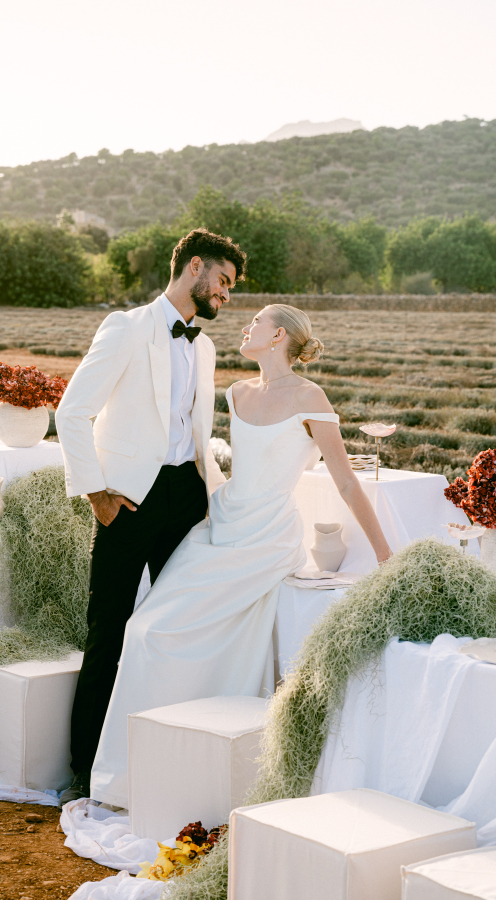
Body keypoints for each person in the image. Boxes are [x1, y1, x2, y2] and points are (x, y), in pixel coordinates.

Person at [90, 303, 393, 809]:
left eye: (256, 322)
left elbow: (344, 479)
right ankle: (133, 778)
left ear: (278, 337)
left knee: (157, 633)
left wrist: (386, 555)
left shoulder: (310, 396)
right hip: (219, 523)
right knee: (145, 629)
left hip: (266, 538)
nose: (246, 326)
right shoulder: (235, 392)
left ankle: (183, 775)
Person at [55, 228, 246, 805]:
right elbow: (71, 412)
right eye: (225, 281)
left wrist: (210, 495)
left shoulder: (205, 347)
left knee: (173, 636)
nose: (227, 295)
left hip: (186, 500)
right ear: (194, 268)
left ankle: (161, 769)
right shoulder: (127, 328)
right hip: (127, 501)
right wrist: (97, 495)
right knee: (107, 631)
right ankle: (84, 772)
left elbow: (196, 431)